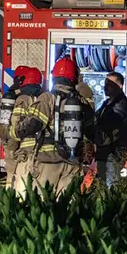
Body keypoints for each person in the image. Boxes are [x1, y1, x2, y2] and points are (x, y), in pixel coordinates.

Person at [12, 57, 94, 199]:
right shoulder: (81, 102)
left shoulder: (47, 98)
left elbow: (34, 124)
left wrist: (15, 131)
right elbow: (91, 130)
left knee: (41, 205)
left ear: (54, 77)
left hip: (48, 162)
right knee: (66, 208)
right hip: (72, 164)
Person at [90, 72, 127, 187]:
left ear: (119, 86)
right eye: (105, 83)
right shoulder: (108, 103)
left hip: (113, 154)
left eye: (109, 84)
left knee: (111, 187)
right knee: (102, 186)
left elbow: (109, 125)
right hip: (105, 153)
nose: (105, 86)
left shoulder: (121, 105)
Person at [5, 67, 44, 191]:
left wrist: (11, 149)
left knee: (17, 184)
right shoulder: (44, 98)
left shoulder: (23, 99)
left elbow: (17, 126)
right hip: (39, 149)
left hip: (24, 149)